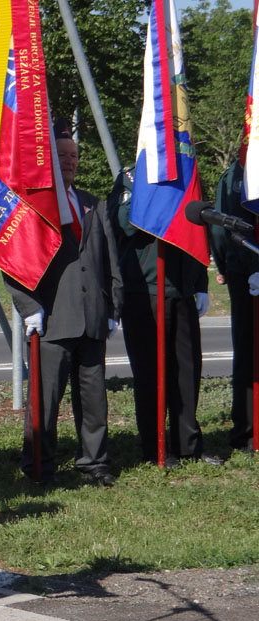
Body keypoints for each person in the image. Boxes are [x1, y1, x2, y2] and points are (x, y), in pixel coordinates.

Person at [5, 124, 123, 486]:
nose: (69, 162)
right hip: (53, 317)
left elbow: (111, 261)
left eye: (73, 156)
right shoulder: (35, 207)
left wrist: (113, 307)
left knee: (94, 398)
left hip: (92, 316)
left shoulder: (93, 203)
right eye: (62, 156)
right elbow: (14, 264)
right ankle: (39, 466)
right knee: (45, 400)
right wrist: (29, 307)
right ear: (49, 161)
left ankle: (94, 462)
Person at [107, 166, 222, 467]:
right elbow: (124, 223)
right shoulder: (132, 177)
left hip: (182, 288)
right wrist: (153, 193)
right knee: (150, 373)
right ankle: (155, 447)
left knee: (187, 371)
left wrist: (200, 283)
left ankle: (189, 445)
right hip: (144, 290)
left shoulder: (187, 174)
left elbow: (197, 231)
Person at [209, 160, 258, 451]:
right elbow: (223, 226)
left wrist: (224, 265)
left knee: (247, 351)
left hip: (242, 269)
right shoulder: (237, 172)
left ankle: (247, 431)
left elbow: (218, 230)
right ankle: (246, 432)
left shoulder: (236, 170)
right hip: (246, 271)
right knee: (248, 350)